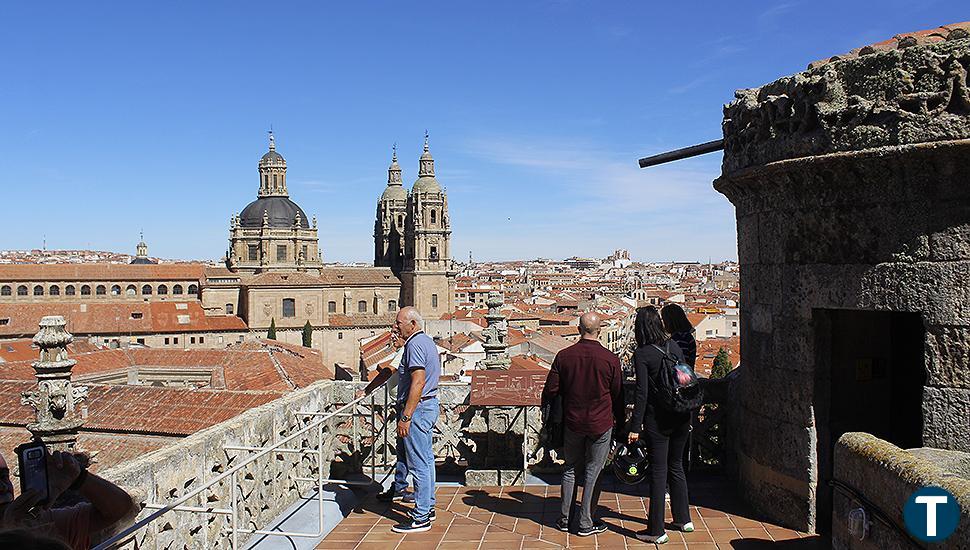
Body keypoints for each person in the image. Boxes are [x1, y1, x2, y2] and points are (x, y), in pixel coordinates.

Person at [542, 312, 624, 537]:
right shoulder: (610, 359)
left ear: (579, 329)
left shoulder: (564, 356)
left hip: (573, 422)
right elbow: (618, 395)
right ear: (600, 331)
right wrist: (622, 424)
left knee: (569, 469)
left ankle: (565, 519)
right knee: (593, 472)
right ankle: (586, 523)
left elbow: (550, 389)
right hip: (601, 423)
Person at [626, 306, 694, 544]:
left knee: (658, 472)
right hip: (681, 416)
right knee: (676, 466)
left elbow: (642, 393)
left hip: (658, 420)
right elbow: (686, 380)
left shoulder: (642, 354)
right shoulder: (674, 346)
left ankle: (656, 530)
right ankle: (683, 519)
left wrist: (635, 426)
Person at [0, 448, 135, 550]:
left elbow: (119, 508)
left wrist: (80, 478)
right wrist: (12, 530)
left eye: (4, 476)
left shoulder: (42, 522)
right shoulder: (35, 526)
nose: (3, 487)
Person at [389, 307, 440, 534]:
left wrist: (406, 416)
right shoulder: (427, 341)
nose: (395, 327)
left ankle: (420, 518)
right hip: (429, 406)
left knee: (418, 465)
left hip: (418, 410)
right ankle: (428, 507)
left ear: (412, 324)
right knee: (427, 461)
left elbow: (417, 382)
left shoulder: (415, 345)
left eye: (399, 323)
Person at [368, 327, 417, 505]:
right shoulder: (405, 350)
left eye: (395, 335)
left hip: (407, 408)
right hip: (402, 406)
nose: (392, 338)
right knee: (403, 450)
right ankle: (399, 486)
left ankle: (419, 496)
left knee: (410, 451)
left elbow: (389, 371)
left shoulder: (405, 350)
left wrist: (367, 389)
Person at [660, 304, 696, 368]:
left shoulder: (678, 339)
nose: (663, 323)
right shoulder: (687, 336)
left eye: (663, 319)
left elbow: (681, 362)